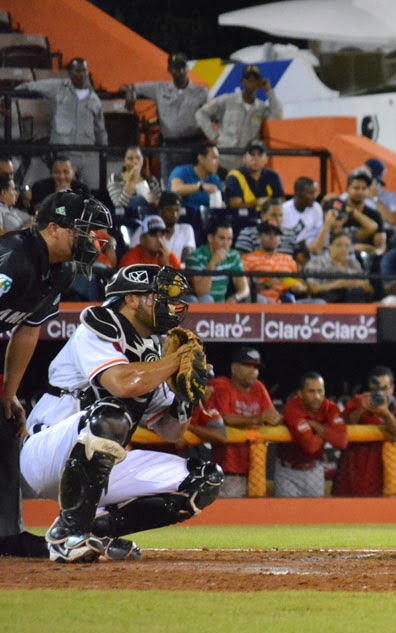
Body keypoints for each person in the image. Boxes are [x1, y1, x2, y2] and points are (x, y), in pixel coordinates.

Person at [20, 264, 222, 563]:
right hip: (48, 451)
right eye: (160, 297)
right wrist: (175, 362)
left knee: (203, 479)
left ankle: (97, 530)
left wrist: (184, 397)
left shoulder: (155, 349)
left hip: (100, 463)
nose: (170, 306)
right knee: (111, 412)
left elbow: (171, 432)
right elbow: (120, 383)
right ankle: (67, 535)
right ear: (131, 299)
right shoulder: (101, 324)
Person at [0, 191, 110, 558]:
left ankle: (7, 535)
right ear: (53, 229)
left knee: (4, 427)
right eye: (83, 230)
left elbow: (27, 330)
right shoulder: (14, 260)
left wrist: (9, 393)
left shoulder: (57, 273)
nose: (92, 240)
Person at [16, 58, 107, 187]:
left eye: (84, 70)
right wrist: (5, 99)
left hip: (87, 155)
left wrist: (104, 150)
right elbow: (30, 86)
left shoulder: (94, 98)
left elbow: (100, 128)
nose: (81, 74)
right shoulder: (57, 87)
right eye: (77, 70)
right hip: (62, 154)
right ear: (70, 73)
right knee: (58, 191)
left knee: (94, 190)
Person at [205, 347, 283, 497]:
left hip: (256, 469)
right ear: (234, 368)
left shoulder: (258, 388)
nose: (253, 371)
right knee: (230, 515)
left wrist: (275, 419)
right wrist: (257, 419)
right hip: (229, 468)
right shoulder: (221, 385)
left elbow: (270, 414)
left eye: (256, 367)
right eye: (248, 366)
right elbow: (225, 418)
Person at [124, 52, 210, 178]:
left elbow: (212, 117)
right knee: (170, 187)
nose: (179, 71)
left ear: (187, 68)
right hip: (170, 147)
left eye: (182, 67)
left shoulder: (201, 92)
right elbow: (131, 87)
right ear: (169, 70)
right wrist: (130, 93)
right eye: (175, 68)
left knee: (193, 185)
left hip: (193, 146)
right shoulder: (160, 89)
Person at [339, 367, 396, 497]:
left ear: (392, 388)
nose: (380, 394)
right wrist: (361, 410)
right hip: (352, 474)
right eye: (375, 390)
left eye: (385, 388)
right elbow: (340, 429)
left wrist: (385, 414)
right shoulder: (359, 401)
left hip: (384, 479)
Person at [195, 64, 284, 170]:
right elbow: (201, 113)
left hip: (246, 164)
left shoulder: (260, 108)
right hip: (223, 160)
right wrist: (213, 136)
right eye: (248, 79)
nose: (251, 83)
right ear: (242, 81)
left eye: (254, 80)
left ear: (259, 83)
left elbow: (278, 116)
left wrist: (269, 91)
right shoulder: (227, 101)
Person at [278, 372, 348, 498]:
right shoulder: (292, 408)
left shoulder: (330, 407)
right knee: (286, 516)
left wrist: (317, 426)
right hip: (288, 471)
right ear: (300, 394)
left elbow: (342, 441)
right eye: (311, 391)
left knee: (314, 515)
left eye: (320, 391)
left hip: (314, 469)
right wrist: (328, 431)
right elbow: (310, 446)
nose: (317, 396)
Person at [241, 218, 309, 303]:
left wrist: (299, 287)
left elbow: (302, 285)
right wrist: (266, 285)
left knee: (318, 303)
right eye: (268, 234)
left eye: (276, 234)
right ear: (259, 237)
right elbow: (243, 289)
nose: (272, 237)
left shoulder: (288, 260)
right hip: (259, 300)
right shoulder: (247, 259)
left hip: (285, 300)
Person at [186, 219, 250, 303]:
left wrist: (235, 297)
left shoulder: (233, 256)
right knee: (206, 299)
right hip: (200, 304)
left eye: (229, 239)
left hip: (221, 306)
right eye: (222, 238)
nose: (226, 244)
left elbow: (245, 289)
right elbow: (201, 293)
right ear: (210, 238)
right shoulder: (196, 257)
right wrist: (212, 263)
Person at [304, 230, 374, 303]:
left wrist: (357, 283)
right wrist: (337, 284)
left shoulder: (353, 263)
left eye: (347, 246)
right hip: (327, 300)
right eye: (339, 245)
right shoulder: (317, 262)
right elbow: (312, 289)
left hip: (353, 298)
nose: (343, 249)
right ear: (330, 246)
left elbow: (369, 288)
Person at [327, 169, 385, 256]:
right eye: (356, 188)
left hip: (365, 258)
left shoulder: (375, 215)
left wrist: (373, 251)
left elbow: (380, 247)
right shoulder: (337, 209)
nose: (360, 192)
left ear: (369, 191)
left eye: (364, 188)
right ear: (347, 189)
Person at [130, 191, 196, 267]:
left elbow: (187, 262)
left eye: (177, 210)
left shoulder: (186, 229)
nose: (174, 214)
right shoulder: (144, 230)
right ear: (160, 211)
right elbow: (133, 254)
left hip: (176, 272)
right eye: (169, 210)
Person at [224, 140, 284, 210]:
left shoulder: (273, 176)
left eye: (260, 155)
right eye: (252, 154)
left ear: (266, 159)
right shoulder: (235, 176)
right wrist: (256, 203)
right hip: (241, 219)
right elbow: (234, 206)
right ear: (244, 158)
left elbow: (281, 201)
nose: (255, 159)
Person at [106, 145, 162, 217]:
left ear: (142, 160)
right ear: (124, 162)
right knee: (138, 199)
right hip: (126, 217)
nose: (135, 161)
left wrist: (153, 200)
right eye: (130, 159)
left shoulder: (151, 180)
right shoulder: (115, 178)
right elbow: (119, 206)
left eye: (138, 158)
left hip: (149, 217)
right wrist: (131, 182)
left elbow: (159, 206)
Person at [167, 144, 223, 211]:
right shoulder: (181, 171)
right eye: (214, 158)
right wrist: (201, 187)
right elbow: (175, 190)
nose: (218, 162)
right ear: (201, 159)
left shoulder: (215, 179)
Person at [282, 177, 324, 253]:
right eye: (311, 193)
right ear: (298, 193)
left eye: (315, 193)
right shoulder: (284, 210)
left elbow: (318, 234)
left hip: (310, 251)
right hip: (289, 249)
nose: (315, 196)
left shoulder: (316, 208)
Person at [363, 158, 396, 229]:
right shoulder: (354, 194)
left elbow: (392, 219)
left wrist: (375, 198)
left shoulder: (391, 197)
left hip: (388, 235)